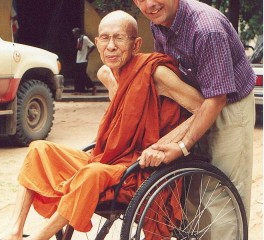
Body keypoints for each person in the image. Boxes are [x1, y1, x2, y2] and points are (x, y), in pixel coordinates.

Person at [1, 11, 204, 240]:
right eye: (104, 38)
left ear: (135, 44)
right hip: (107, 158)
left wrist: (164, 145)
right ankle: (14, 231)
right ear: (96, 43)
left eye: (119, 38)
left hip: (138, 167)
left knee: (91, 173)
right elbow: (124, 113)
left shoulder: (155, 72)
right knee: (39, 149)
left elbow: (201, 107)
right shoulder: (108, 73)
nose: (111, 46)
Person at [101, 1, 255, 239]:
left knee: (220, 190)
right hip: (194, 100)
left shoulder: (206, 29)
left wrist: (183, 144)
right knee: (189, 185)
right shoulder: (158, 22)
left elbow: (216, 100)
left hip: (228, 102)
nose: (150, 4)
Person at [72, 27, 97, 95]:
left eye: (75, 33)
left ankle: (92, 86)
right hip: (78, 59)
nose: (74, 35)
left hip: (83, 60)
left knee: (83, 75)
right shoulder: (78, 39)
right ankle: (79, 90)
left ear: (78, 33)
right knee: (78, 75)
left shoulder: (85, 38)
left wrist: (87, 54)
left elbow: (92, 46)